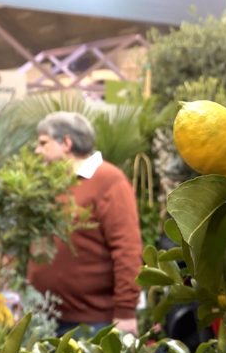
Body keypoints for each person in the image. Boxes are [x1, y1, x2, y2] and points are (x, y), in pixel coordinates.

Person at [28, 112, 142, 336]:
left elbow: (127, 249)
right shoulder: (49, 182)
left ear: (66, 143)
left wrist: (126, 312)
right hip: (44, 318)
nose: (37, 150)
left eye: (43, 143)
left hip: (91, 323)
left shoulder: (109, 181)